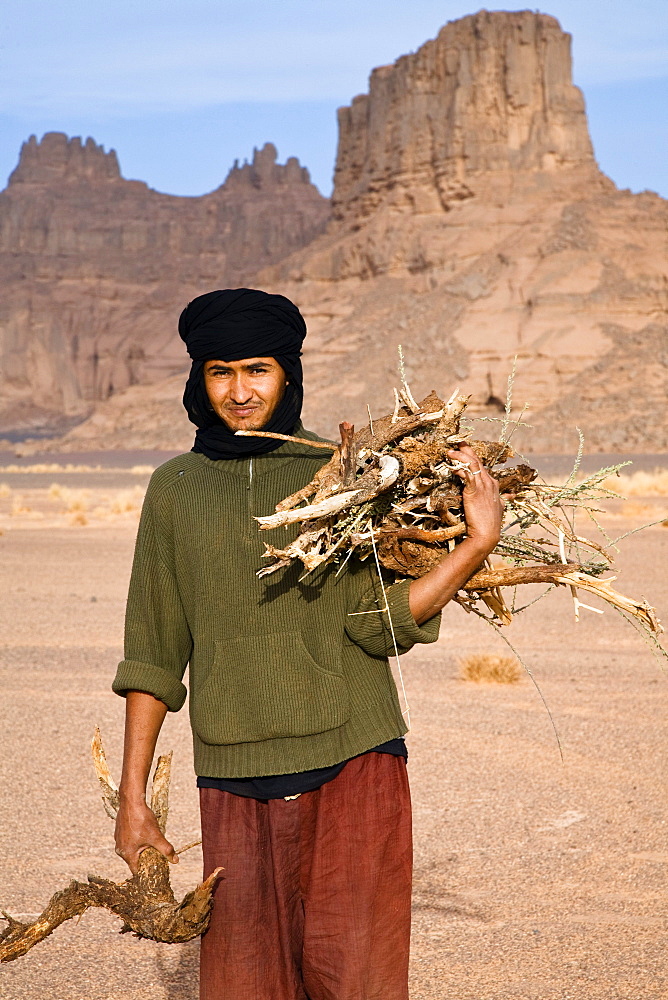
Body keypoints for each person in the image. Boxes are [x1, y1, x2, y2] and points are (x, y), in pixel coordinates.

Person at [113, 288, 503, 1000]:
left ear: (288, 374)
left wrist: (475, 545)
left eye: (257, 370)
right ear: (197, 380)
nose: (239, 391)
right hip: (233, 774)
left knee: (357, 982)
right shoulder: (172, 489)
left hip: (354, 761)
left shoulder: (345, 470)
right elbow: (154, 649)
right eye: (219, 371)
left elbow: (375, 621)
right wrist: (131, 798)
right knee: (244, 985)